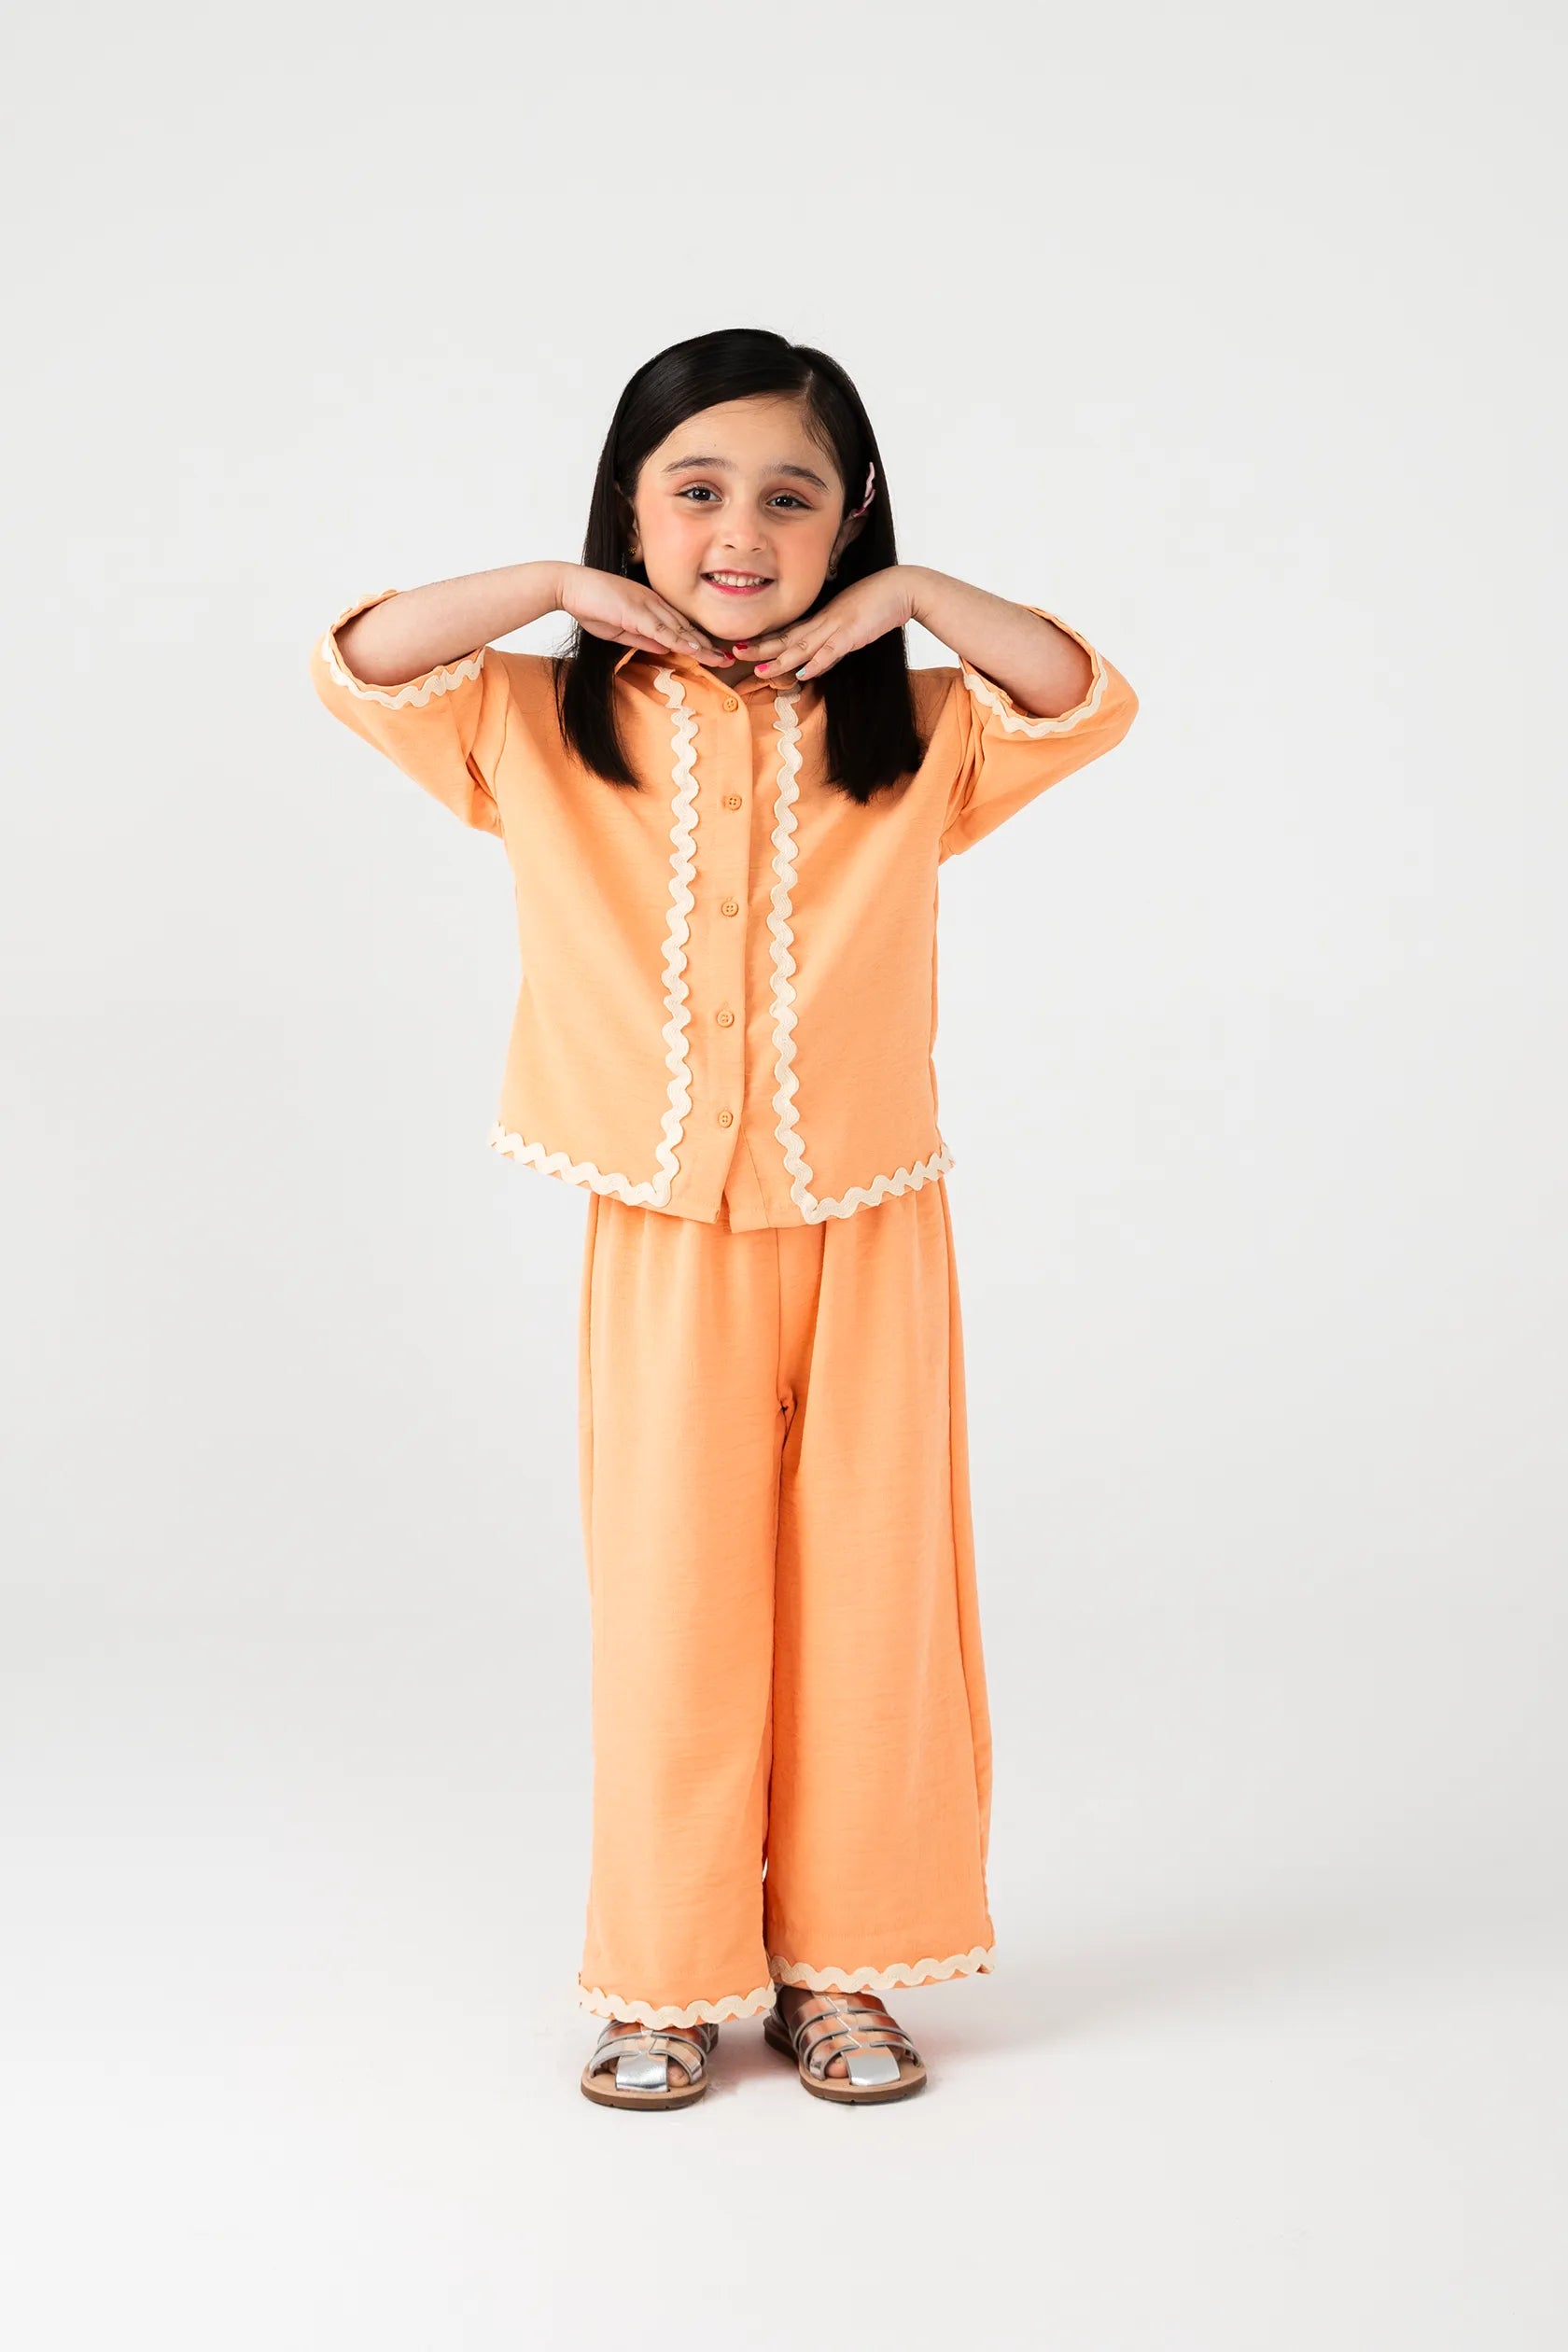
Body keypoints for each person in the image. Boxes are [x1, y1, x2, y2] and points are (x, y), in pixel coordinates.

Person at [309, 327, 1139, 2110]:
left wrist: (911, 595)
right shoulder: (534, 721)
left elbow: (1083, 693)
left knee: (872, 1603)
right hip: (664, 1232)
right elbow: (362, 661)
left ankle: (844, 1968)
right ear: (631, 507)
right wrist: (557, 590)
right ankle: (669, 1973)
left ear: (851, 518)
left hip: (870, 1218)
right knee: (676, 1604)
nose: (742, 531)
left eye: (792, 497)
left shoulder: (919, 732)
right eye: (695, 490)